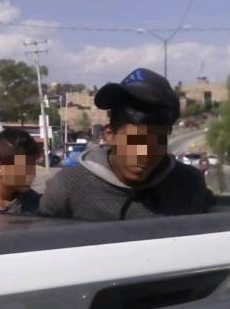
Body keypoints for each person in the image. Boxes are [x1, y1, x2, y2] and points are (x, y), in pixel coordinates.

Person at [39, 68, 213, 220]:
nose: (144, 154)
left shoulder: (189, 184)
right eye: (134, 141)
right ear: (109, 135)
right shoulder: (67, 188)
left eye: (157, 143)